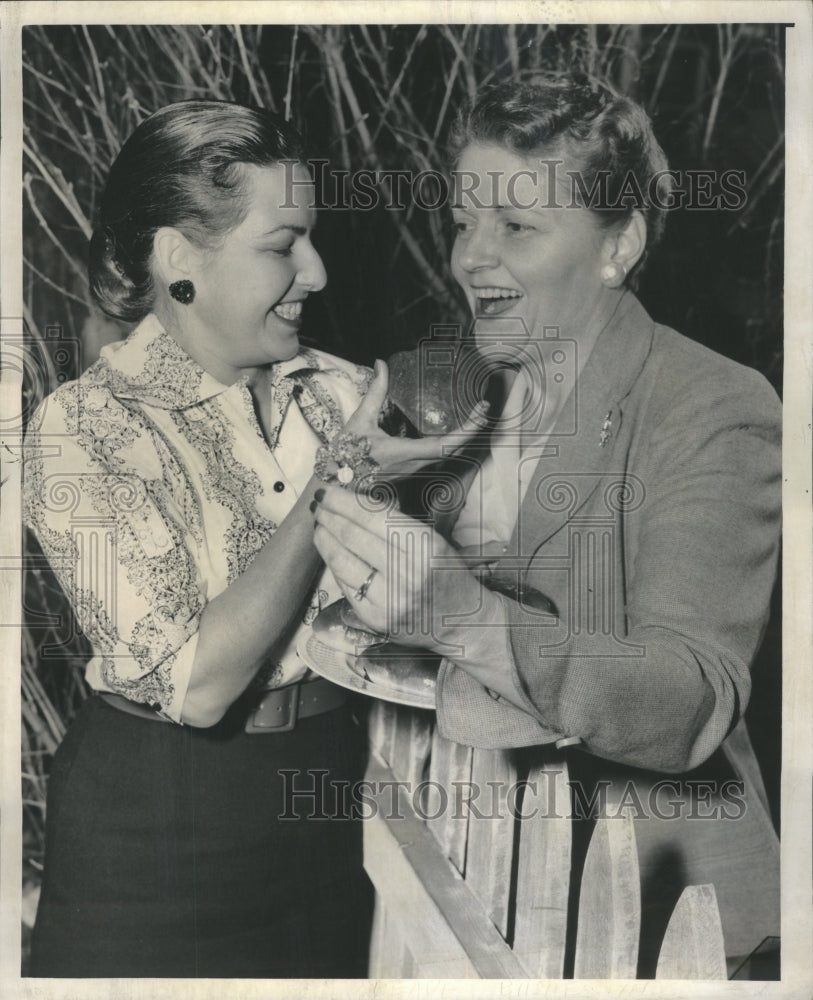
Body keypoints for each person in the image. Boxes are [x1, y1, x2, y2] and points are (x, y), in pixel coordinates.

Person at [311, 76, 781, 975]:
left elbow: (688, 697)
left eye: (517, 229)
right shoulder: (448, 385)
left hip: (653, 918)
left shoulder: (713, 405)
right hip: (460, 888)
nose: (471, 260)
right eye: (462, 222)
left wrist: (461, 617)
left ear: (619, 245)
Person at [23, 100, 485, 978]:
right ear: (177, 260)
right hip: (156, 830)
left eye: (310, 239)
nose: (315, 270)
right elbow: (199, 687)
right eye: (281, 245)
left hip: (323, 803)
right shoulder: (82, 430)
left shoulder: (339, 392)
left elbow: (420, 610)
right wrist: (342, 473)